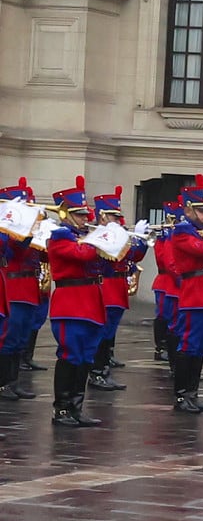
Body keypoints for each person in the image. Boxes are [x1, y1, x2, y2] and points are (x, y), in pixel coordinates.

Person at [159, 176, 203, 414]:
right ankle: (181, 396)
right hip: (197, 293)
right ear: (189, 210)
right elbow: (201, 249)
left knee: (202, 347)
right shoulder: (182, 231)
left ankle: (192, 394)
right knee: (189, 343)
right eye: (201, 211)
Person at [42, 178, 107, 429]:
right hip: (71, 304)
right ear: (65, 213)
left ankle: (76, 408)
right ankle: (61, 409)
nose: (84, 219)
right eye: (79, 215)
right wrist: (102, 238)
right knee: (70, 355)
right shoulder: (60, 237)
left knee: (85, 357)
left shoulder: (83, 236)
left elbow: (108, 260)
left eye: (84, 214)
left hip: (91, 303)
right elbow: (81, 254)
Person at [88, 187, 142, 392]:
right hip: (106, 286)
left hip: (118, 287)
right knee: (102, 332)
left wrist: (139, 241)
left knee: (109, 331)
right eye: (113, 216)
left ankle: (103, 368)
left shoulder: (117, 234)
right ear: (101, 216)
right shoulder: (97, 236)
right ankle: (97, 372)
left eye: (118, 216)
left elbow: (133, 256)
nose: (118, 220)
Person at [0, 177, 43, 400]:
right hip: (14, 288)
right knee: (9, 337)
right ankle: (3, 383)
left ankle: (14, 382)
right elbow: (16, 245)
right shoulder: (7, 231)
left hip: (28, 289)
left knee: (20, 338)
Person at [151, 191, 182, 365]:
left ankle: (171, 351)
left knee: (176, 319)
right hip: (165, 281)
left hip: (172, 282)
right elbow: (163, 260)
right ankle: (161, 347)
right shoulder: (165, 238)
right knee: (164, 316)